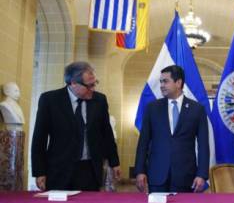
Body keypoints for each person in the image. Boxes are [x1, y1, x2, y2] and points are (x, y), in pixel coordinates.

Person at [31, 61, 120, 191]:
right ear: (73, 83)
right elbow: (40, 138)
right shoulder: (50, 100)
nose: (93, 89)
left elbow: (106, 133)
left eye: (95, 83)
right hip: (59, 171)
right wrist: (39, 171)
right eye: (89, 86)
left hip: (90, 170)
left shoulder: (99, 100)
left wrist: (114, 162)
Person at [134, 65, 209, 193]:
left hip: (185, 177)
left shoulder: (197, 109)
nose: (162, 85)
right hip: (157, 176)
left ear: (178, 83)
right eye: (161, 81)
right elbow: (143, 143)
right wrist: (140, 171)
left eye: (165, 81)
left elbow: (203, 145)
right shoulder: (152, 108)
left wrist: (202, 174)